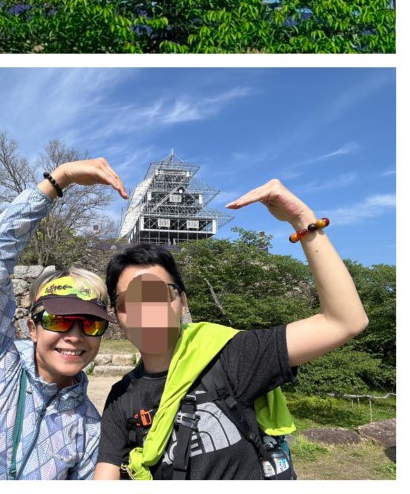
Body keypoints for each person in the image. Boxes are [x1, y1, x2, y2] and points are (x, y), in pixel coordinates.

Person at [94, 179, 369, 481]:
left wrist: (303, 220)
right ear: (119, 316)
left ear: (182, 302)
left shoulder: (232, 356)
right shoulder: (121, 400)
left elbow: (344, 321)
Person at [0, 158, 129, 480]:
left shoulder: (90, 427)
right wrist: (59, 179)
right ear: (32, 329)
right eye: (59, 320)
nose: (75, 335)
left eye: (90, 323)